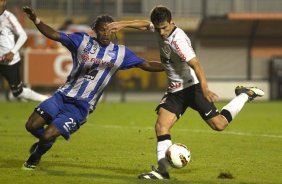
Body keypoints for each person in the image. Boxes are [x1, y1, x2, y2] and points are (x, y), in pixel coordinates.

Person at [107, 5, 265, 179]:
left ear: (171, 22)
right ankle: (162, 172)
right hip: (175, 91)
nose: (161, 32)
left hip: (192, 88)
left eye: (164, 28)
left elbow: (196, 64)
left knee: (219, 125)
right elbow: (145, 24)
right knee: (161, 127)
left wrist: (204, 89)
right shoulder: (159, 28)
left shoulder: (178, 40)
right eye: (158, 28)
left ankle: (244, 95)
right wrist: (121, 24)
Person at [21, 6, 164, 170]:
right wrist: (36, 20)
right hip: (62, 96)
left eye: (110, 30)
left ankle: (33, 159)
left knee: (47, 134)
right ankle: (47, 142)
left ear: (115, 31)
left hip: (81, 106)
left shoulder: (121, 53)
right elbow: (54, 34)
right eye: (102, 30)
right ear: (95, 30)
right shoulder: (81, 41)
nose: (106, 33)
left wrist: (170, 65)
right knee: (31, 126)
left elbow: (146, 64)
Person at [0, 0, 48, 102]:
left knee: (18, 92)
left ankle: (46, 99)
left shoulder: (8, 17)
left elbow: (23, 35)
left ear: (4, 2)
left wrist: (12, 52)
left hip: (9, 61)